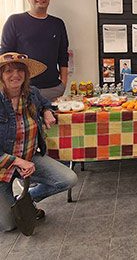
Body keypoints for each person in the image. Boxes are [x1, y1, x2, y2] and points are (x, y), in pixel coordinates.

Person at [0, 52, 77, 232]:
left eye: (20, 70)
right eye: (8, 71)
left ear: (26, 74)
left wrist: (47, 112)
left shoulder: (31, 93)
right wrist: (17, 162)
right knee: (9, 225)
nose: (15, 75)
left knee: (68, 179)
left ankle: (27, 199)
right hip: (4, 166)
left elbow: (45, 104)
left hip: (30, 159)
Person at [0, 0, 69, 102]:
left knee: (52, 120)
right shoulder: (15, 21)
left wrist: (63, 83)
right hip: (23, 88)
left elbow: (63, 55)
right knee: (24, 121)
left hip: (53, 88)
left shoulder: (57, 23)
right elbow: (5, 56)